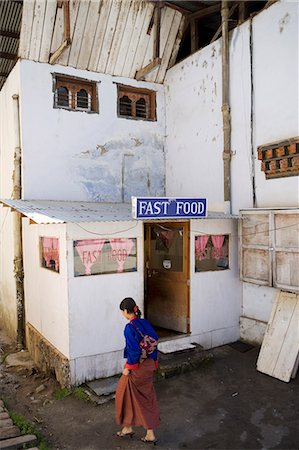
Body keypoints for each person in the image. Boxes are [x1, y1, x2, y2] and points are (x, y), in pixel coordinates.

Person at [115, 297, 160, 444]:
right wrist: (154, 361)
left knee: (124, 392)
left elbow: (134, 351)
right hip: (149, 365)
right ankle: (139, 430)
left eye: (122, 311)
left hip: (138, 367)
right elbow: (154, 341)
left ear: (126, 311)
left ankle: (134, 428)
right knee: (145, 397)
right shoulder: (144, 323)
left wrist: (128, 368)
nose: (122, 314)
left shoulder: (129, 328)